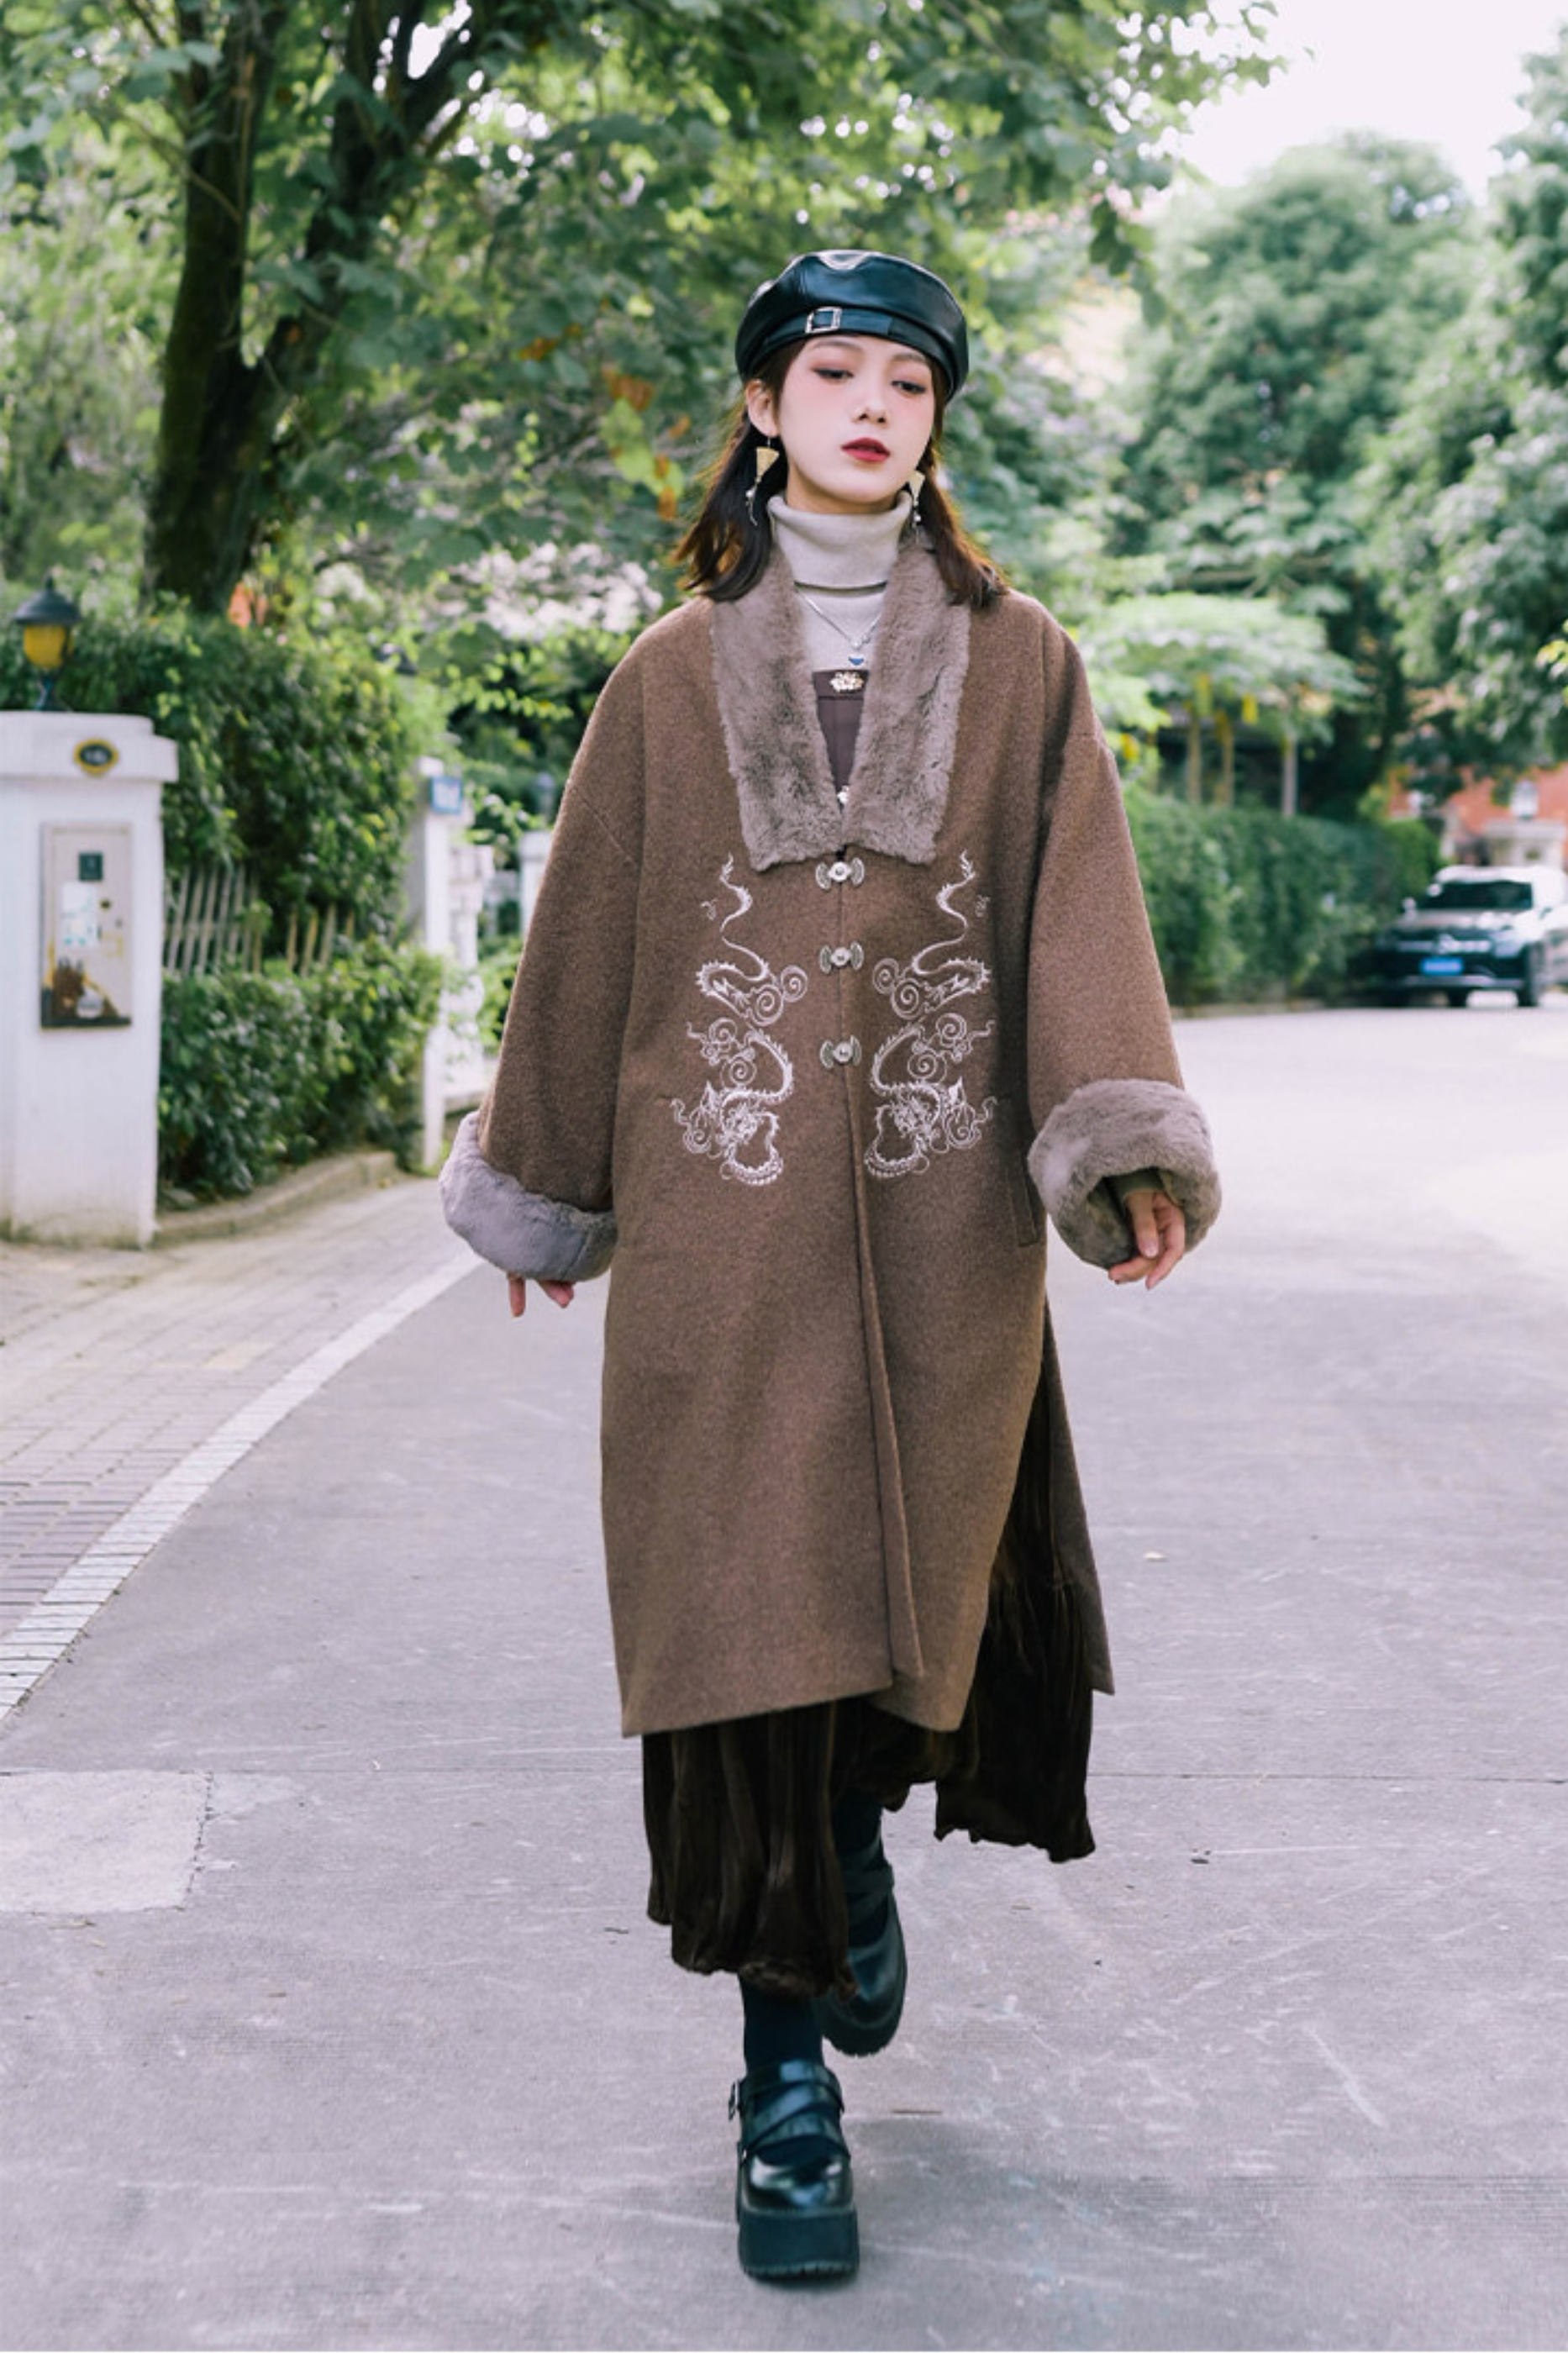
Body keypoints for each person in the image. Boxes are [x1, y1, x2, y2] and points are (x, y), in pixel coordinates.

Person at [440, 248, 1220, 2285]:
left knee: (912, 1610)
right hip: (728, 1243)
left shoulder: (1026, 667)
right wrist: (543, 1182)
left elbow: (1078, 913)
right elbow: (587, 928)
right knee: (742, 1646)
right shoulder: (666, 678)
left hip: (948, 1235)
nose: (873, 405)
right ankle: (785, 2080)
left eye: (908, 380)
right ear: (766, 407)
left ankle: (858, 1853)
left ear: (935, 422)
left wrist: (1123, 1146)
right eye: (836, 371)